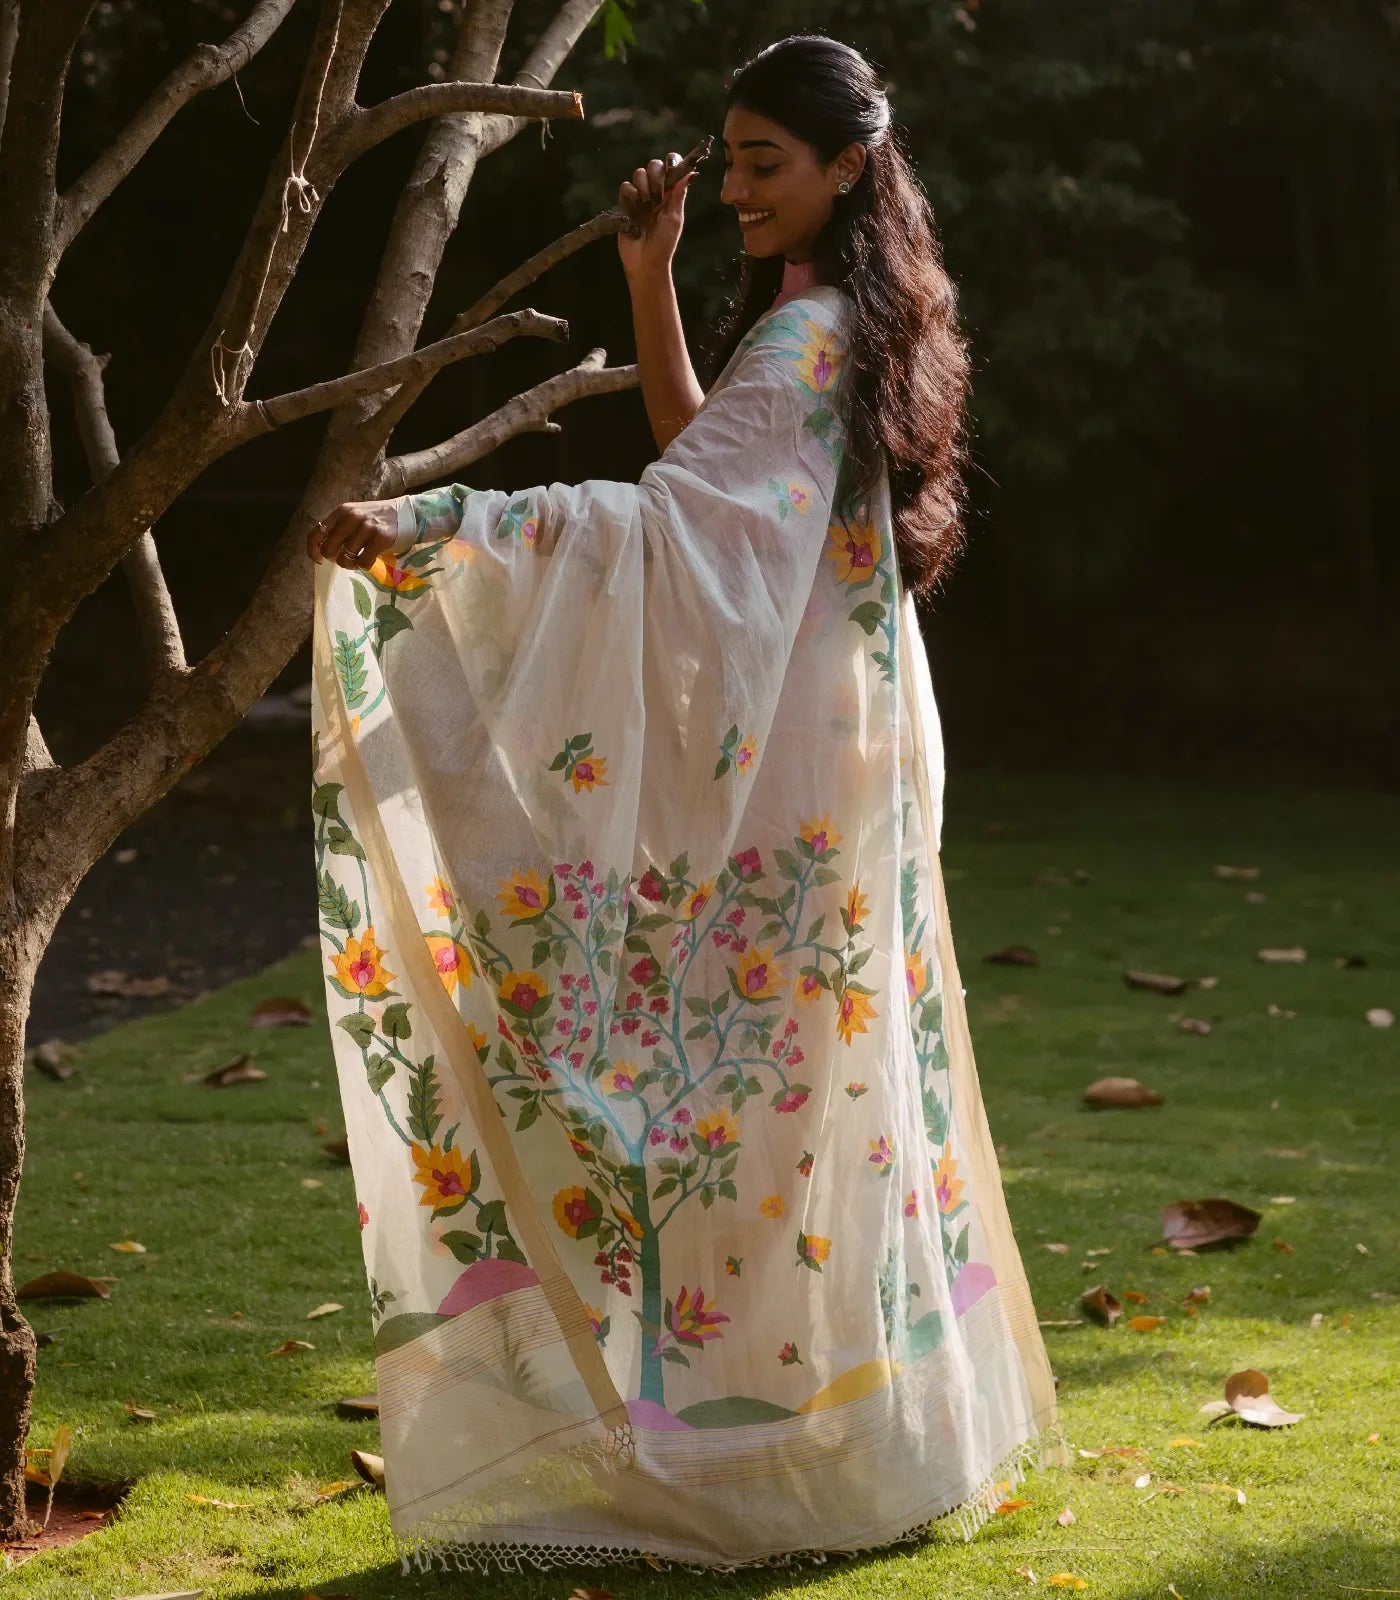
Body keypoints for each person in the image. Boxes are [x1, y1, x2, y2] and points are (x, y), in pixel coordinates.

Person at [306, 33, 1063, 1578]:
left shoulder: (816, 333)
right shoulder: (840, 320)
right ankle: (854, 1447)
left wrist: (445, 526)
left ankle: (768, 1469)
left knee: (751, 1103)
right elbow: (705, 476)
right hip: (836, 747)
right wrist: (650, 278)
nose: (734, 191)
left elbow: (676, 529)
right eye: (730, 164)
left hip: (798, 771)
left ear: (848, 165)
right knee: (808, 1097)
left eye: (763, 164)